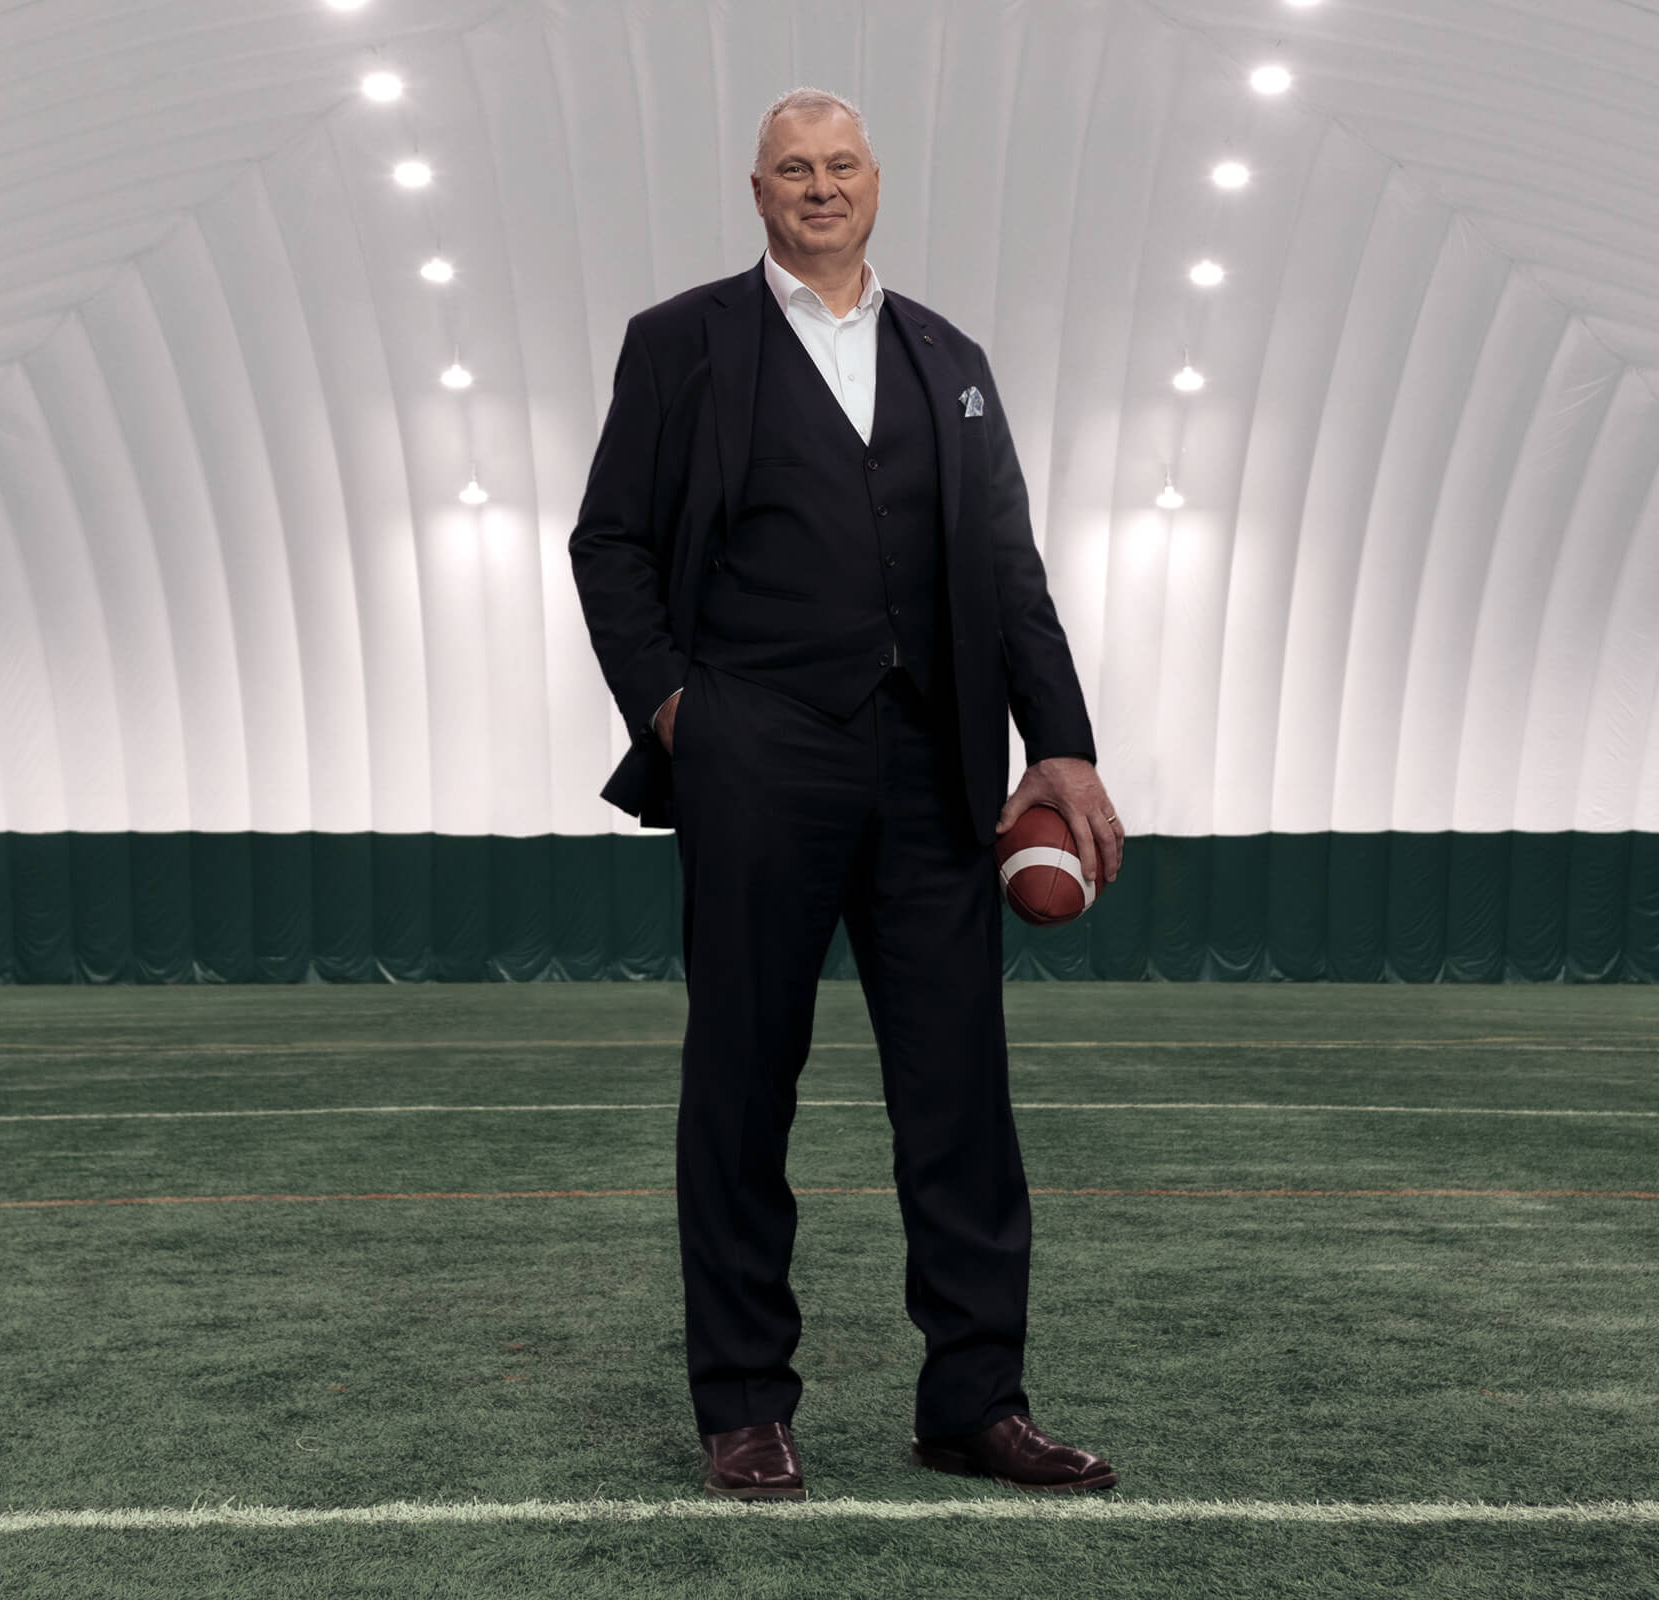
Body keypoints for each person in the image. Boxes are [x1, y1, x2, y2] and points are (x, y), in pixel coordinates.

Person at [568, 86, 1124, 1501]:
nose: (822, 187)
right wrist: (680, 707)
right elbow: (610, 542)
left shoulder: (952, 357)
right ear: (758, 192)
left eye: (843, 166)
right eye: (794, 170)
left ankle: (976, 1403)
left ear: (877, 183)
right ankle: (745, 1404)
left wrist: (1059, 743)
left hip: (938, 769)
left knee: (960, 1099)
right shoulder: (680, 343)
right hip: (758, 753)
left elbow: (1008, 571)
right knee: (745, 1086)